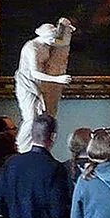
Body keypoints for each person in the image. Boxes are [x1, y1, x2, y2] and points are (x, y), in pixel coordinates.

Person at [15, 19, 75, 151]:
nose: (53, 41)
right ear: (43, 36)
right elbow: (35, 73)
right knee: (31, 118)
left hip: (40, 85)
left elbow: (61, 43)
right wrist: (57, 79)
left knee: (43, 118)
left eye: (54, 38)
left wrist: (64, 27)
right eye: (51, 38)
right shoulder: (32, 48)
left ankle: (35, 148)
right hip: (28, 84)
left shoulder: (47, 43)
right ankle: (20, 148)